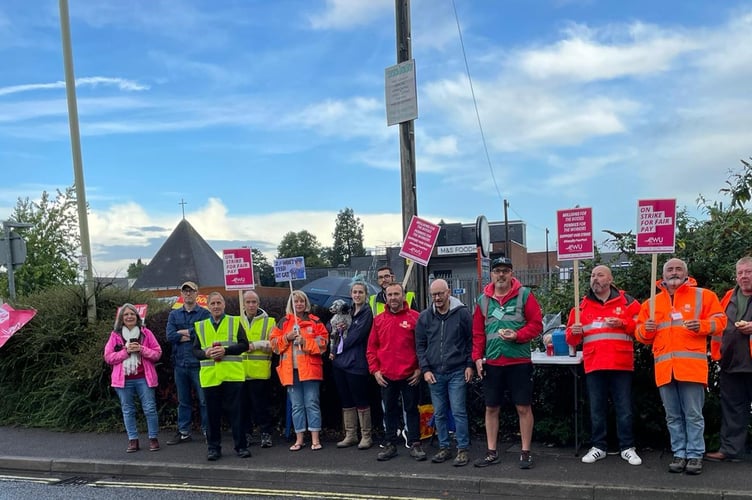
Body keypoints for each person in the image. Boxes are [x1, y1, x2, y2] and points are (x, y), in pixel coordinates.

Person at [635, 258, 726, 475]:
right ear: (663, 276)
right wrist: (646, 330)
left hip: (691, 368)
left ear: (686, 274)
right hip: (666, 368)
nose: (674, 272)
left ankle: (694, 455)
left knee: (693, 414)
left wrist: (702, 326)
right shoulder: (652, 303)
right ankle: (679, 453)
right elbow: (640, 335)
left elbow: (721, 321)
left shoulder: (704, 296)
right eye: (669, 269)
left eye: (678, 269)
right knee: (673, 415)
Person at [565, 265, 642, 466]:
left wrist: (623, 323)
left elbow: (643, 329)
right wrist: (574, 332)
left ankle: (627, 447)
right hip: (595, 363)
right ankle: (598, 446)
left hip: (621, 363)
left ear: (610, 279)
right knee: (596, 409)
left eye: (599, 275)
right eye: (592, 275)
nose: (595, 279)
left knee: (624, 408)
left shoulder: (628, 303)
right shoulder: (580, 307)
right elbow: (571, 341)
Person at [472, 257, 542, 469]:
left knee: (523, 407)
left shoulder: (524, 295)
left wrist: (518, 335)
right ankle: (492, 452)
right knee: (491, 408)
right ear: (491, 274)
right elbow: (477, 333)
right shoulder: (482, 300)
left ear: (511, 273)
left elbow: (537, 324)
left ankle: (525, 452)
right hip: (493, 362)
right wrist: (477, 357)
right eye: (497, 271)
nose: (501, 275)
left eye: (505, 270)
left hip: (518, 361)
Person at [415, 279, 473, 467]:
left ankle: (463, 449)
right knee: (439, 413)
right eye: (434, 295)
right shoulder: (425, 317)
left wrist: (469, 365)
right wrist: (425, 369)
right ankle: (444, 448)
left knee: (458, 412)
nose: (437, 298)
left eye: (440, 293)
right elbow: (420, 346)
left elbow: (472, 340)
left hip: (457, 371)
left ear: (448, 292)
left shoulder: (462, 313)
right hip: (434, 373)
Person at [366, 282, 426, 462]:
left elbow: (423, 346)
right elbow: (371, 348)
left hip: (410, 375)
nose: (393, 298)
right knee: (389, 411)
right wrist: (375, 371)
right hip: (386, 375)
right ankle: (391, 444)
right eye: (389, 294)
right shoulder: (378, 320)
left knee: (412, 410)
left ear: (403, 295)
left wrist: (420, 369)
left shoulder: (416, 318)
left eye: (396, 294)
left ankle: (415, 444)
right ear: (385, 297)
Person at [193, 292, 250, 461]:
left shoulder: (234, 321)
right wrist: (205, 353)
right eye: (213, 304)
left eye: (219, 303)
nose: (216, 306)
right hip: (210, 377)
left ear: (224, 305)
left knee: (237, 414)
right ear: (208, 306)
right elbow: (194, 350)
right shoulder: (200, 326)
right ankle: (213, 449)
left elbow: (244, 344)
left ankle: (241, 447)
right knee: (212, 416)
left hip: (232, 375)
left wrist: (226, 350)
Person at [705, 256, 752, 463]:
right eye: (741, 272)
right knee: (732, 408)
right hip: (731, 362)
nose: (744, 276)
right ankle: (731, 451)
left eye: (748, 272)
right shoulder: (726, 297)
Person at [270, 290, 329, 451]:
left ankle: (315, 439)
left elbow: (323, 342)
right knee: (296, 406)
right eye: (296, 301)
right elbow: (274, 344)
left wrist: (305, 341)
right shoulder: (283, 322)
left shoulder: (315, 321)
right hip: (291, 371)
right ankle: (299, 439)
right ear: (291, 304)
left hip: (310, 370)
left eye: (302, 301)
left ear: (306, 303)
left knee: (312, 403)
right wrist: (286, 338)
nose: (299, 304)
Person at [104, 303, 162, 453]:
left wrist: (141, 349)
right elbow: (108, 357)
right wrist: (125, 352)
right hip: (123, 379)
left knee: (149, 408)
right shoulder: (114, 336)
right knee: (128, 410)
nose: (129, 316)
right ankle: (133, 440)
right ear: (121, 319)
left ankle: (153, 438)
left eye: (132, 314)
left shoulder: (146, 333)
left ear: (137, 317)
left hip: (144, 377)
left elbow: (157, 353)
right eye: (126, 315)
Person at [330, 276, 375, 450]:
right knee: (346, 399)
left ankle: (366, 435)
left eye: (360, 292)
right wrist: (336, 329)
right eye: (355, 292)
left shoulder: (367, 313)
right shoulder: (346, 311)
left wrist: (337, 347)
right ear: (351, 294)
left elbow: (356, 336)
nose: (357, 295)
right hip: (340, 364)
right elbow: (330, 327)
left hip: (357, 363)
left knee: (360, 399)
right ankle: (350, 434)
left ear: (365, 295)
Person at [165, 281, 210, 445]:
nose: (188, 294)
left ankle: (207, 430)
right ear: (181, 294)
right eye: (185, 291)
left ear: (197, 293)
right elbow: (170, 335)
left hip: (199, 363)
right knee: (183, 401)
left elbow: (203, 333)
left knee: (204, 400)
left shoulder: (205, 313)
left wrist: (182, 333)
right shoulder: (174, 315)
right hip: (180, 364)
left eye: (191, 291)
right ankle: (183, 432)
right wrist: (191, 333)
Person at [240, 290, 277, 449]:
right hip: (239, 372)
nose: (251, 305)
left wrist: (255, 345)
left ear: (258, 303)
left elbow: (274, 345)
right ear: (243, 304)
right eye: (248, 302)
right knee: (243, 408)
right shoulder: (236, 320)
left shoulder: (269, 321)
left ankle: (265, 434)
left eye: (254, 302)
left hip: (260, 372)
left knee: (261, 407)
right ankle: (246, 434)